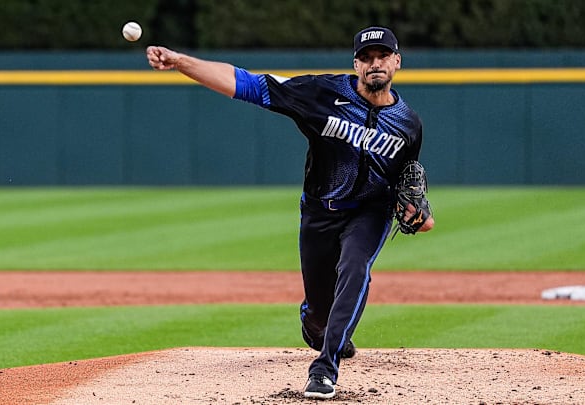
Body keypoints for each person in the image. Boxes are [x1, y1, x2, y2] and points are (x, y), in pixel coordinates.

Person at [146, 26, 434, 400]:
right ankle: (322, 331)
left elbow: (407, 181)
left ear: (397, 61)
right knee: (318, 315)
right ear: (355, 64)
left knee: (355, 267)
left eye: (382, 56)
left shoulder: (409, 124)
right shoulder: (323, 93)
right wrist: (182, 61)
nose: (374, 63)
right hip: (319, 212)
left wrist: (418, 212)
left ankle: (325, 368)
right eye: (366, 57)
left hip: (369, 211)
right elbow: (248, 85)